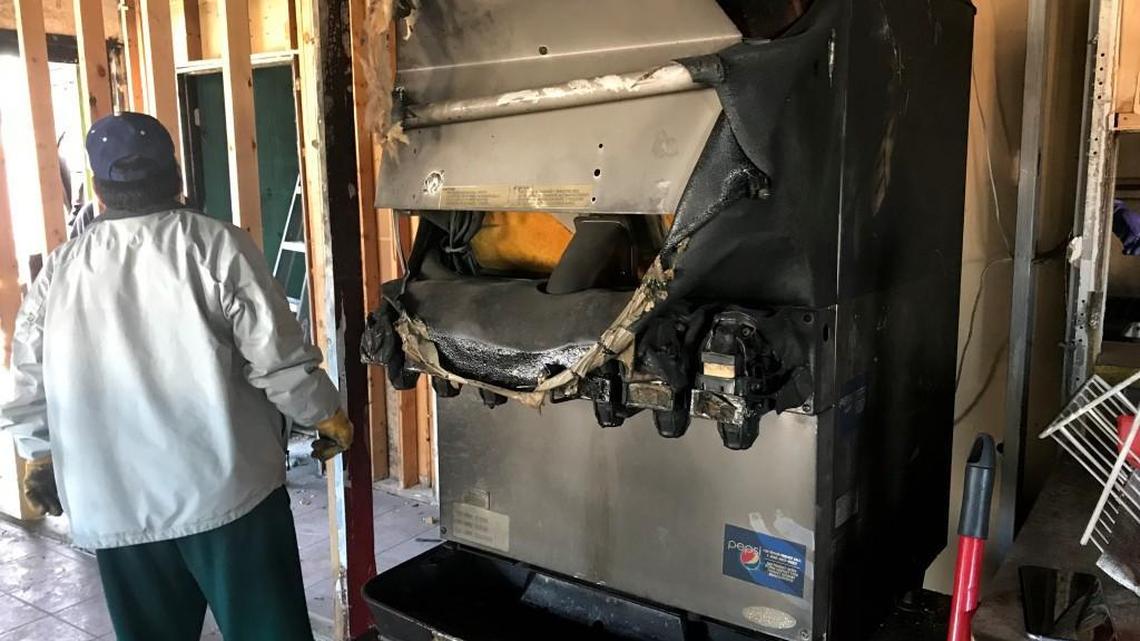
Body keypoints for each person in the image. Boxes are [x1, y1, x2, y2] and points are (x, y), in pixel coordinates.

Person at [0, 112, 353, 641]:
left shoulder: (61, 269)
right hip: (229, 495)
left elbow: (27, 378)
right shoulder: (216, 246)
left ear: (98, 188)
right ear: (176, 174)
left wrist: (41, 454)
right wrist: (323, 415)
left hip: (114, 503)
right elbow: (276, 356)